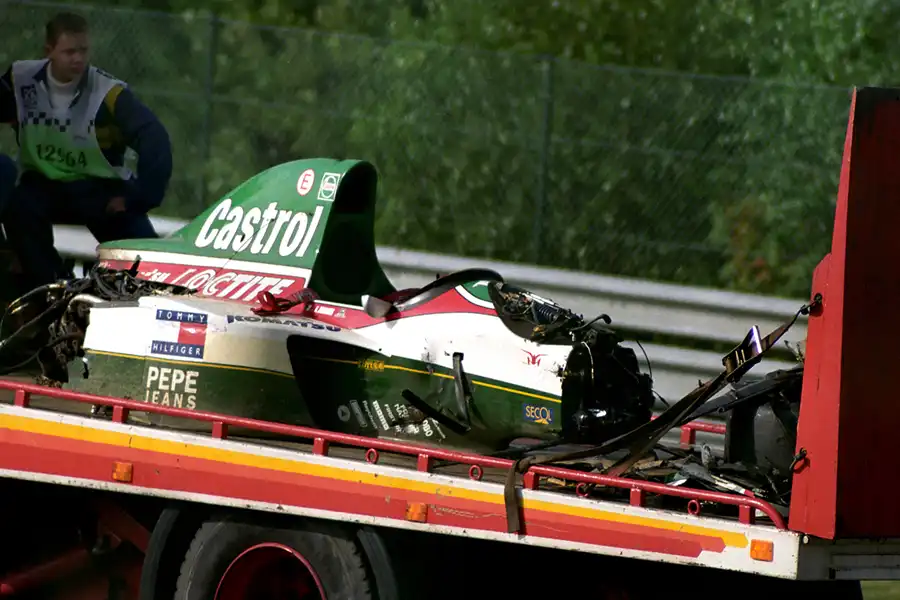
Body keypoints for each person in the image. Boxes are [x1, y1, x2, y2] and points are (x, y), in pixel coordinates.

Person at [0, 11, 173, 292]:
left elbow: (155, 138)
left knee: (147, 266)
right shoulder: (20, 79)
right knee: (19, 209)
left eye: (83, 51)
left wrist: (141, 197)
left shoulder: (108, 93)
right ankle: (51, 288)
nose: (78, 59)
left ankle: (150, 289)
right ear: (48, 51)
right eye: (69, 52)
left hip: (100, 191)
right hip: (43, 186)